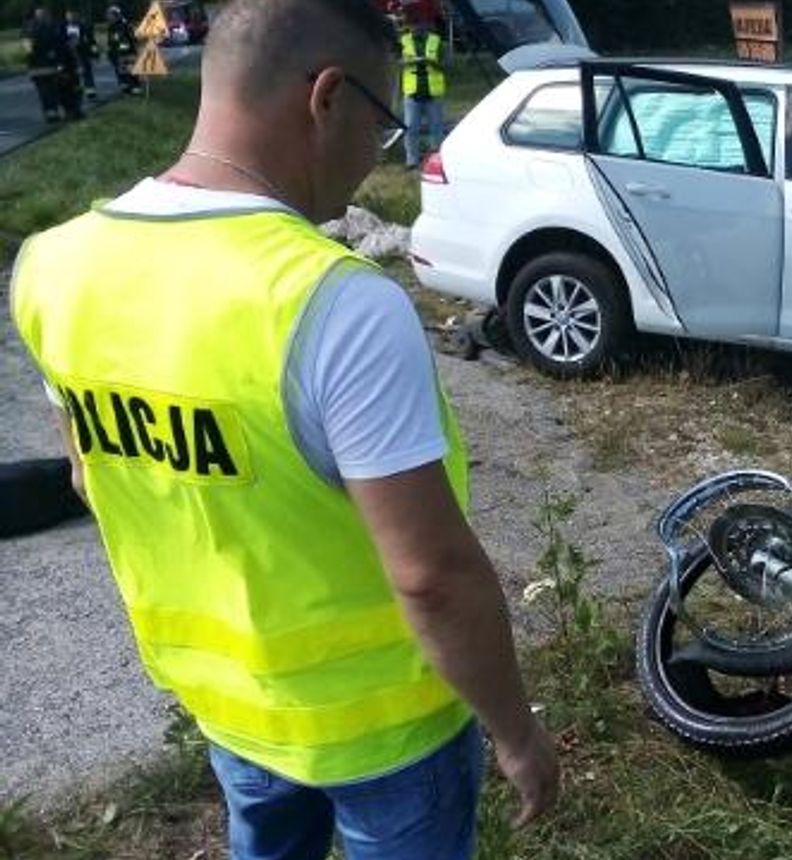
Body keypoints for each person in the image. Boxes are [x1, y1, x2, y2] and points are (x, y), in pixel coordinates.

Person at [10, 1, 559, 857]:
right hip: (389, 729)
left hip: (228, 705)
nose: (375, 158)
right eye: (381, 128)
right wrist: (517, 733)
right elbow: (431, 579)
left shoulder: (53, 265)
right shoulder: (335, 303)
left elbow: (90, 474)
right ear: (327, 97)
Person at [398, 14, 444, 169]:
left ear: (426, 23)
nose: (417, 27)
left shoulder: (436, 41)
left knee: (436, 128)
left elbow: (447, 65)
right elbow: (396, 61)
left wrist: (432, 62)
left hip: (434, 92)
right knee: (410, 128)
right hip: (412, 93)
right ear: (409, 26)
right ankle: (412, 161)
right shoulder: (403, 42)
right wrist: (409, 62)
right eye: (413, 24)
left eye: (419, 23)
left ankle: (437, 160)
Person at [24, 7, 82, 122]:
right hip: (53, 67)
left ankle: (51, 113)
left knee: (45, 93)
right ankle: (70, 111)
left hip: (38, 68)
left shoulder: (29, 29)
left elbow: (28, 49)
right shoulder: (54, 28)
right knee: (63, 89)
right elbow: (65, 46)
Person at [104, 5, 141, 95]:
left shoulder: (125, 25)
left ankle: (135, 86)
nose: (108, 17)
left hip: (128, 52)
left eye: (110, 15)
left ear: (116, 15)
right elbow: (111, 40)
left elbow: (132, 38)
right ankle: (125, 86)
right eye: (108, 15)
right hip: (117, 53)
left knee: (130, 69)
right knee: (121, 71)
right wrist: (110, 50)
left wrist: (124, 48)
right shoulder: (111, 27)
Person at [63, 8, 98, 99]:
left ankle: (90, 91)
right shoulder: (63, 28)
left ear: (76, 16)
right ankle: (77, 91)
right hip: (70, 55)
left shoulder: (84, 27)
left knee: (86, 72)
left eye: (72, 16)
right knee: (74, 75)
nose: (71, 18)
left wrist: (94, 54)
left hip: (83, 53)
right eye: (68, 16)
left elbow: (92, 42)